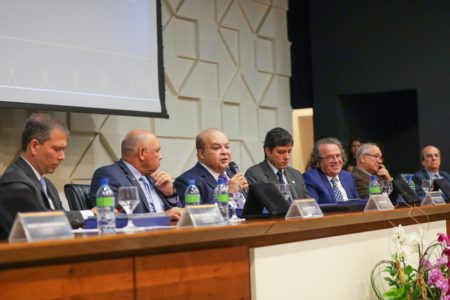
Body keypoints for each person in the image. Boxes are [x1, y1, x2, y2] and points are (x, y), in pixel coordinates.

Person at [0, 114, 87, 238]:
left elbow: (59, 216)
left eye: (63, 150)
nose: (62, 156)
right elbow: (45, 224)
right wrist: (88, 215)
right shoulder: (15, 184)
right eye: (57, 149)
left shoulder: (47, 184)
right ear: (34, 146)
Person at [89, 129, 183, 220]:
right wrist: (163, 216)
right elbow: (112, 215)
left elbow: (177, 213)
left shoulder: (154, 178)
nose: (161, 156)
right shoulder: (109, 175)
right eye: (157, 151)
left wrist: (169, 193)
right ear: (142, 153)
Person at [174, 128, 249, 205]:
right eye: (216, 148)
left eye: (227, 147)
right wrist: (229, 193)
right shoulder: (185, 182)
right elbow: (197, 214)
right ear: (201, 154)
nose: (224, 152)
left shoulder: (233, 173)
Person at [245, 127, 309, 200]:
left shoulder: (296, 175)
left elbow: (308, 204)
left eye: (289, 151)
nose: (287, 157)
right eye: (281, 152)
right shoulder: (255, 174)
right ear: (268, 151)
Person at [303, 138, 359, 204]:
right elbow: (314, 209)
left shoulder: (348, 177)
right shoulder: (311, 178)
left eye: (338, 156)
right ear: (318, 160)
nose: (336, 160)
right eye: (330, 157)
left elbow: (357, 203)